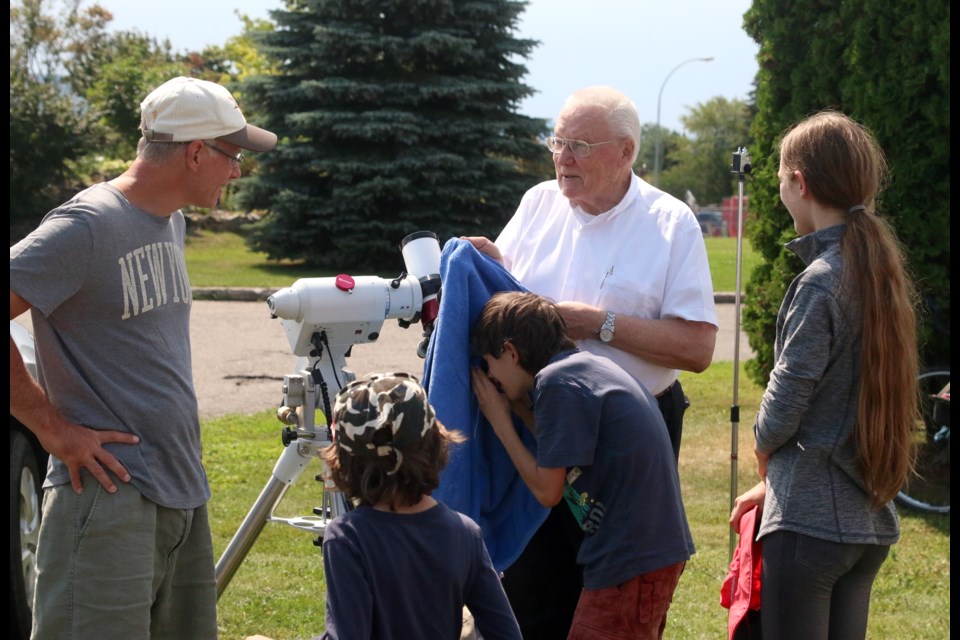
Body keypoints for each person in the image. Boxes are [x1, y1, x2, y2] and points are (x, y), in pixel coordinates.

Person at [9, 76, 277, 639]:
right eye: (232, 156)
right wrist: (51, 427)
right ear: (196, 152)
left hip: (181, 491)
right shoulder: (86, 225)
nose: (237, 172)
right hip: (107, 503)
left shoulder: (170, 220)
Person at [465, 85, 717, 637]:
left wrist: (599, 323)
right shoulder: (537, 202)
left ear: (626, 152)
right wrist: (483, 265)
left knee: (612, 594)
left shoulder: (669, 222)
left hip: (628, 439)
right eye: (557, 141)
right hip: (540, 423)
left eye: (580, 144)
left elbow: (698, 348)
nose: (563, 157)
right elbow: (506, 292)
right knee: (530, 590)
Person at [729, 110, 920, 640]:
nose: (779, 190)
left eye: (781, 178)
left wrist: (762, 443)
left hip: (810, 529)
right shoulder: (878, 272)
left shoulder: (822, 280)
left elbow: (785, 403)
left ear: (801, 183)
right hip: (866, 527)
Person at [471, 291, 695, 640]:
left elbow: (548, 490)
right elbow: (557, 449)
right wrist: (515, 408)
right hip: (645, 555)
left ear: (511, 352)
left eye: (490, 363)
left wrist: (501, 422)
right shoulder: (580, 370)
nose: (491, 375)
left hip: (628, 562)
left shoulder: (557, 383)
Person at [316, 372, 521, 640]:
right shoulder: (464, 533)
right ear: (434, 444)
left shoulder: (347, 538)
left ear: (344, 462)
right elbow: (506, 633)